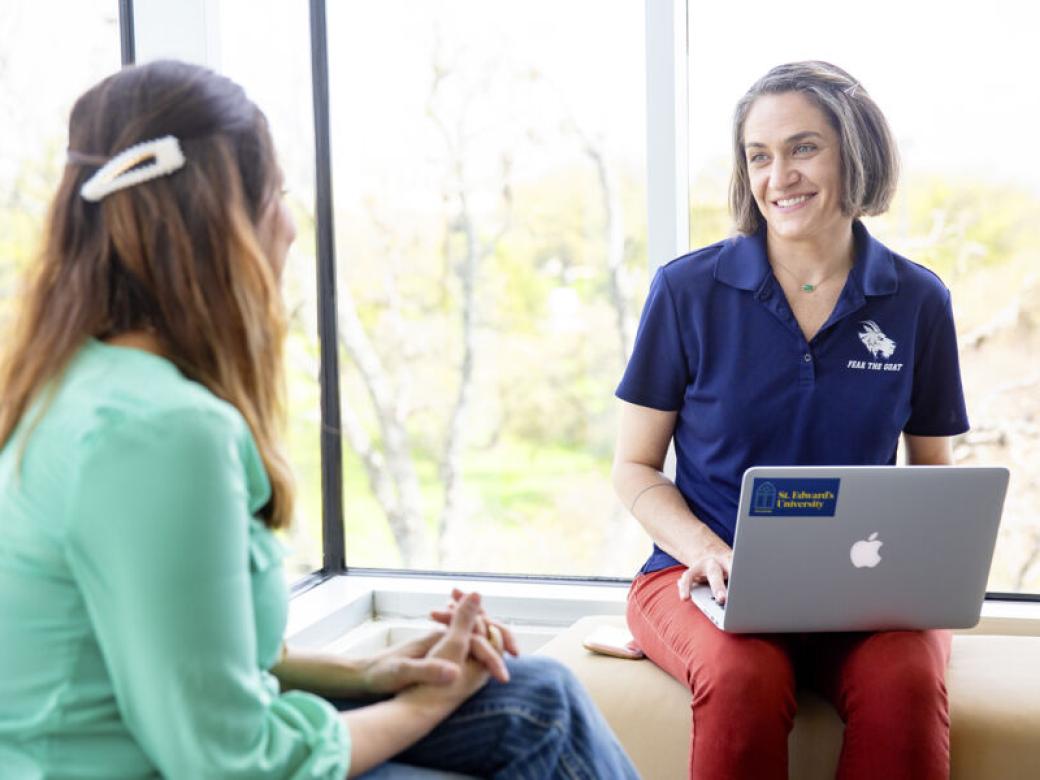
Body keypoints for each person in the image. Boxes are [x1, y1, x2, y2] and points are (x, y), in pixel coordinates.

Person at [0, 60, 638, 780]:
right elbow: (230, 763)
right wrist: (425, 705)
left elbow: (200, 661)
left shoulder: (76, 386)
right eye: (275, 194)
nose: (291, 227)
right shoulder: (157, 432)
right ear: (220, 224)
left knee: (535, 694)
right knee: (528, 713)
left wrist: (373, 674)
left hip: (171, 749)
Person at [613, 61, 968, 780]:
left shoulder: (918, 301)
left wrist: (920, 576)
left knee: (905, 680)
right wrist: (706, 550)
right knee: (746, 679)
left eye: (804, 148)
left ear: (855, 152)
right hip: (698, 581)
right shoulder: (687, 291)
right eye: (759, 156)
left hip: (862, 594)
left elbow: (934, 479)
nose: (779, 177)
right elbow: (634, 467)